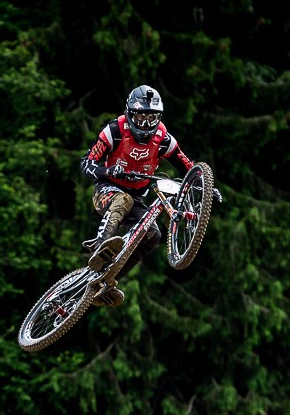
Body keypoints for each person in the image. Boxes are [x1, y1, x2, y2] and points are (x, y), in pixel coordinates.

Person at [77, 85, 201, 307]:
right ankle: (101, 244)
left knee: (153, 234)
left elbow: (186, 164)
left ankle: (108, 281)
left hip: (135, 198)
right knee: (122, 200)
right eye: (140, 117)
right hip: (106, 191)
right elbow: (86, 163)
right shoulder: (114, 132)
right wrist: (107, 171)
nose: (145, 124)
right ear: (129, 114)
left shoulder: (164, 139)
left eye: (151, 118)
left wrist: (205, 186)